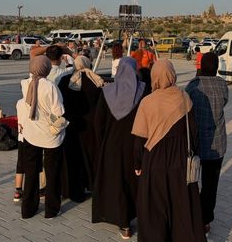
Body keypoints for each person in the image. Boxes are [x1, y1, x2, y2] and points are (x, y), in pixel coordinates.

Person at [131, 60, 206, 242]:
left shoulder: (147, 102)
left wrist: (137, 163)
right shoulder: (184, 97)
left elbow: (139, 139)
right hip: (180, 160)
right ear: (172, 74)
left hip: (154, 160)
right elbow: (194, 132)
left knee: (154, 208)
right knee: (181, 205)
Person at [92, 57, 147, 240]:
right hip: (136, 146)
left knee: (117, 182)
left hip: (112, 146)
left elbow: (98, 123)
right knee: (133, 182)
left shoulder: (107, 92)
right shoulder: (143, 91)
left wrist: (101, 145)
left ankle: (123, 224)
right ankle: (139, 217)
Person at [17, 56, 67, 219]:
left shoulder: (25, 84)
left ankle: (28, 209)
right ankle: (51, 209)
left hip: (31, 134)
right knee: (52, 173)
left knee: (31, 171)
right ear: (46, 69)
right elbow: (58, 112)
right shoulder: (50, 86)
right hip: (50, 136)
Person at [185, 53, 229, 234]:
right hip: (217, 142)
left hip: (196, 142)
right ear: (216, 66)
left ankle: (191, 214)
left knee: (192, 180)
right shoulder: (222, 85)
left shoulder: (194, 86)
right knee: (211, 184)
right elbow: (224, 102)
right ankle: (205, 220)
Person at [57, 56, 105, 202]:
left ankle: (75, 190)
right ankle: (92, 185)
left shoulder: (66, 81)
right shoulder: (96, 80)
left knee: (74, 158)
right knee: (91, 157)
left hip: (72, 127)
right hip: (91, 127)